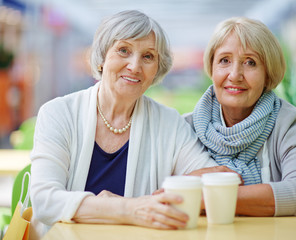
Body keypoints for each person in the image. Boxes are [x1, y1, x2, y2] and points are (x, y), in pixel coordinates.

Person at [30, 10, 230, 238]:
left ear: (156, 69)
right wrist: (131, 209)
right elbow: (45, 200)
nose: (135, 66)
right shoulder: (58, 113)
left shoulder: (170, 124)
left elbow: (212, 180)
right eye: (123, 50)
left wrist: (157, 199)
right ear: (103, 57)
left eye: (148, 57)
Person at [185, 17, 296, 217]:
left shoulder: (293, 125)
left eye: (250, 62)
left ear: (268, 73)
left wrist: (207, 198)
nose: (235, 74)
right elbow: (161, 191)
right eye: (224, 60)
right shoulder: (185, 127)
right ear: (212, 67)